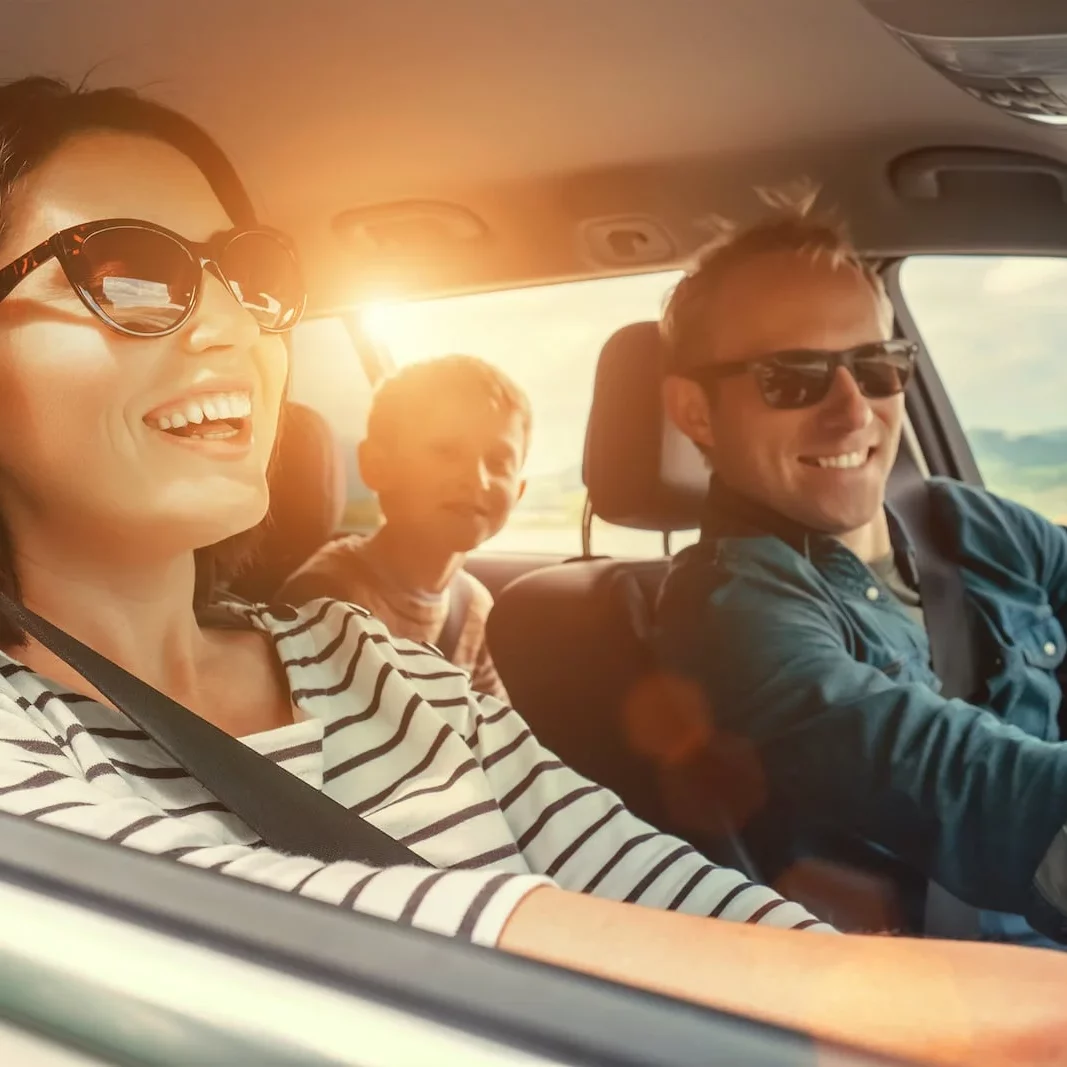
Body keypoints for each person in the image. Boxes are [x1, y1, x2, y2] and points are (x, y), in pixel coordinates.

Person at [0, 78, 1063, 1067]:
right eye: (126, 272)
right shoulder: (28, 736)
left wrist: (881, 1005)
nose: (233, 324)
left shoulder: (366, 657)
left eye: (248, 277)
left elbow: (653, 884)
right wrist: (958, 1009)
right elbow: (284, 927)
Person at [656, 188, 1067, 950]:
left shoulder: (969, 523)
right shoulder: (728, 609)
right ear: (695, 413)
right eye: (792, 376)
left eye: (876, 367)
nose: (853, 412)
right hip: (964, 999)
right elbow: (960, 780)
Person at [278, 355, 527, 701]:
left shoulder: (473, 605)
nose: (477, 479)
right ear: (376, 466)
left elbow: (494, 733)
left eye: (499, 462)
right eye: (446, 451)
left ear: (520, 491)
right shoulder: (327, 598)